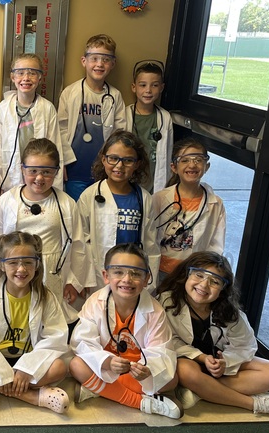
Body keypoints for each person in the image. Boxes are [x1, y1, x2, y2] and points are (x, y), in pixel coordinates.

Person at [155, 252, 269, 416]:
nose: (204, 285)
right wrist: (202, 358)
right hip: (189, 360)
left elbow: (246, 346)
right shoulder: (167, 301)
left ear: (223, 289)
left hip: (219, 364)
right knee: (185, 371)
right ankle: (253, 404)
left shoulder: (230, 313)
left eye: (215, 281)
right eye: (199, 275)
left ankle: (200, 390)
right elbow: (169, 341)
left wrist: (225, 362)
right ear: (186, 274)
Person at [0, 232, 71, 414]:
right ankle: (32, 397)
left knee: (60, 367)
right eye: (13, 263)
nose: (21, 269)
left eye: (28, 262)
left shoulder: (46, 297)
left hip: (29, 358)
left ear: (37, 264)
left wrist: (27, 369)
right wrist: (1, 371)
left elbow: (56, 337)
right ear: (1, 265)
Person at [69, 243, 182, 419]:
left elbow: (161, 351)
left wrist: (148, 369)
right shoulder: (95, 302)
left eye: (136, 273)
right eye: (118, 272)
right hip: (108, 366)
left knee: (171, 380)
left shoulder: (155, 311)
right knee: (76, 365)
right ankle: (141, 402)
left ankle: (100, 389)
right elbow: (83, 341)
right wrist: (107, 362)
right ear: (106, 276)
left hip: (136, 371)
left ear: (146, 279)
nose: (127, 279)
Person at [0, 139, 87, 327]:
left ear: (56, 171)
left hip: (50, 273)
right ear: (22, 169)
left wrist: (74, 282)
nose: (39, 178)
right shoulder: (7, 201)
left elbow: (78, 245)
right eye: (33, 171)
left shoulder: (66, 203)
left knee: (47, 323)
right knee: (15, 319)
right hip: (16, 270)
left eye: (47, 172)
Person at [77, 130, 160, 293]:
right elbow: (80, 242)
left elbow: (150, 245)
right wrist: (83, 278)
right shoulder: (89, 196)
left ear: (137, 164)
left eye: (128, 160)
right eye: (113, 158)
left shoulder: (143, 198)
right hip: (98, 275)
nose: (119, 166)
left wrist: (149, 283)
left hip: (132, 274)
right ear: (104, 159)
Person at [0, 54, 73, 198]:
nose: (26, 78)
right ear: (12, 77)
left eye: (32, 73)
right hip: (9, 176)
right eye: (20, 72)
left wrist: (55, 180)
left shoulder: (47, 108)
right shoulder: (2, 109)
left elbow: (55, 146)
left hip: (39, 176)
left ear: (40, 78)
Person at [58, 34, 126, 201]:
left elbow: (120, 133)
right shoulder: (70, 93)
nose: (99, 64)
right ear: (84, 61)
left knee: (100, 211)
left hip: (104, 171)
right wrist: (62, 161)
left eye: (106, 59)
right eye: (94, 58)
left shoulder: (115, 96)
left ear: (113, 64)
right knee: (76, 212)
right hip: (74, 169)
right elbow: (60, 130)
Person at [153, 138, 226, 280]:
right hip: (159, 271)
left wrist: (204, 275)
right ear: (174, 167)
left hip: (192, 274)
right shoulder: (159, 198)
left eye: (198, 160)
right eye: (185, 160)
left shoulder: (215, 204)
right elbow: (149, 237)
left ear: (207, 166)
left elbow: (216, 246)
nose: (192, 165)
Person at [125, 60, 174, 193]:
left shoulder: (165, 117)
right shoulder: (124, 115)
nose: (148, 90)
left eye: (154, 85)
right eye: (143, 85)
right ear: (134, 87)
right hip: (130, 179)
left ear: (161, 88)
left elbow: (167, 152)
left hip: (153, 183)